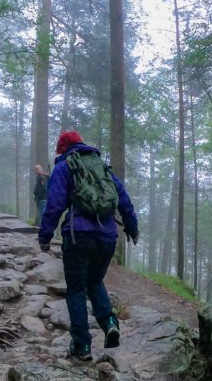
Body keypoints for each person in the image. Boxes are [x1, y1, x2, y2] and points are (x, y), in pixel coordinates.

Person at [38, 130, 139, 361]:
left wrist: (45, 236)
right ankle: (110, 322)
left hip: (78, 236)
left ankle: (82, 345)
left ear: (62, 150)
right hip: (107, 237)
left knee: (76, 288)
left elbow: (54, 205)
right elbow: (123, 199)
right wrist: (132, 228)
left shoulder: (64, 168)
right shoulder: (101, 167)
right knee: (94, 281)